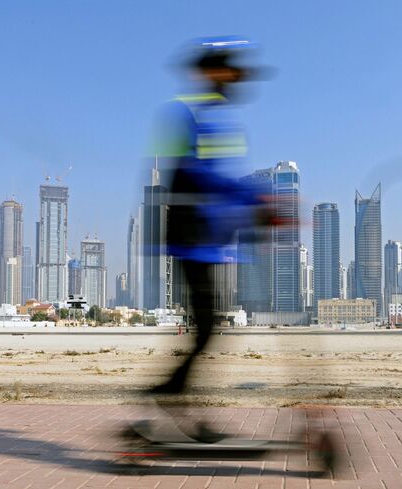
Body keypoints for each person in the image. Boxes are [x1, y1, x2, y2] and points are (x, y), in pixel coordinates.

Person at [145, 37, 273, 440]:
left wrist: (249, 206)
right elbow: (193, 174)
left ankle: (176, 398)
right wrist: (254, 197)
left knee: (208, 331)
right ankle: (171, 395)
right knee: (205, 330)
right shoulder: (186, 114)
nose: (236, 78)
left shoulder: (217, 116)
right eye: (230, 70)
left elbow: (219, 179)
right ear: (213, 71)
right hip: (192, 238)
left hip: (211, 239)